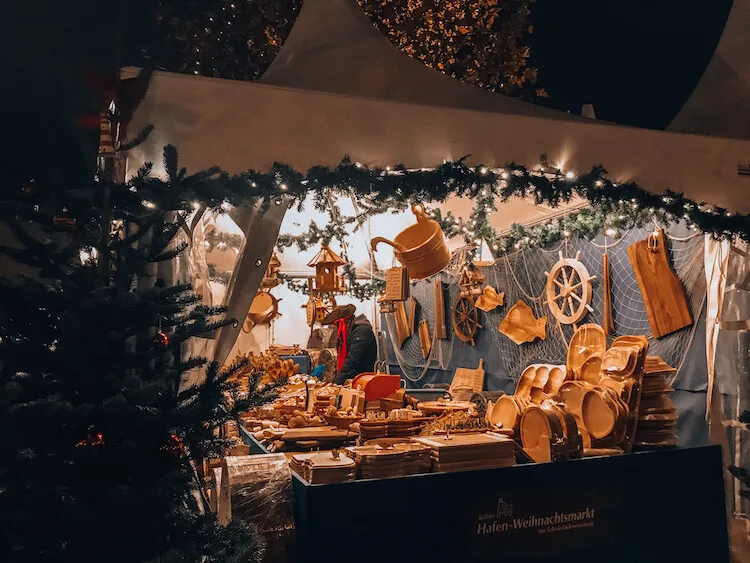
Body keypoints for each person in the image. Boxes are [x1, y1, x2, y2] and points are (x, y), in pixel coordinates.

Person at [322, 304, 377, 385]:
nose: (336, 328)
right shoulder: (347, 334)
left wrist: (336, 384)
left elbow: (352, 361)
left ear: (345, 322)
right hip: (351, 381)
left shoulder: (361, 332)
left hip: (362, 382)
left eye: (337, 325)